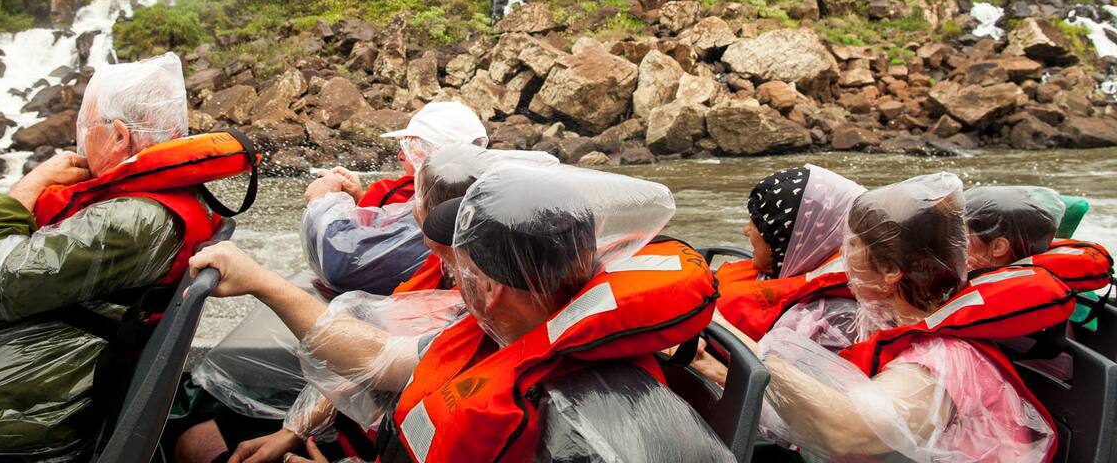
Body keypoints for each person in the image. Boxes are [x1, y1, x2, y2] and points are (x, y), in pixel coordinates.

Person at [188, 162, 721, 462]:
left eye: (455, 263)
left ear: (488, 289)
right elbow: (376, 356)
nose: (446, 272)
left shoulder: (576, 421)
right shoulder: (513, 328)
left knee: (197, 446)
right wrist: (263, 282)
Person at [0, 52, 248, 462]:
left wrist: (29, 185)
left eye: (87, 128)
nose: (79, 145)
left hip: (16, 413)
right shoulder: (177, 202)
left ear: (120, 136)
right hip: (43, 386)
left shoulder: (131, 221)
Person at [178, 146, 555, 463]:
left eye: (418, 202)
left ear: (496, 284)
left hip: (373, 444)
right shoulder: (496, 315)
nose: (411, 214)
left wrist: (260, 280)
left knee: (197, 446)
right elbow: (374, 360)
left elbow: (374, 359)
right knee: (196, 441)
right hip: (368, 431)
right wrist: (293, 431)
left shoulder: (497, 338)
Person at [709, 173, 1063, 463]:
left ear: (892, 270)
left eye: (853, 245)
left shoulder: (943, 359)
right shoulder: (893, 320)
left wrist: (744, 343)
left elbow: (846, 431)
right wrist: (703, 361)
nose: (843, 257)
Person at [301, 101, 488, 296]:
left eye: (409, 145)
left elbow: (342, 266)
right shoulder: (479, 198)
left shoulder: (434, 208)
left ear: (433, 153)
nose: (401, 155)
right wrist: (359, 199)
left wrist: (322, 201)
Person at [714, 165, 864, 342]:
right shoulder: (786, 269)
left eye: (756, 224)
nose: (745, 231)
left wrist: (713, 321)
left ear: (787, 239)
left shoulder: (834, 319)